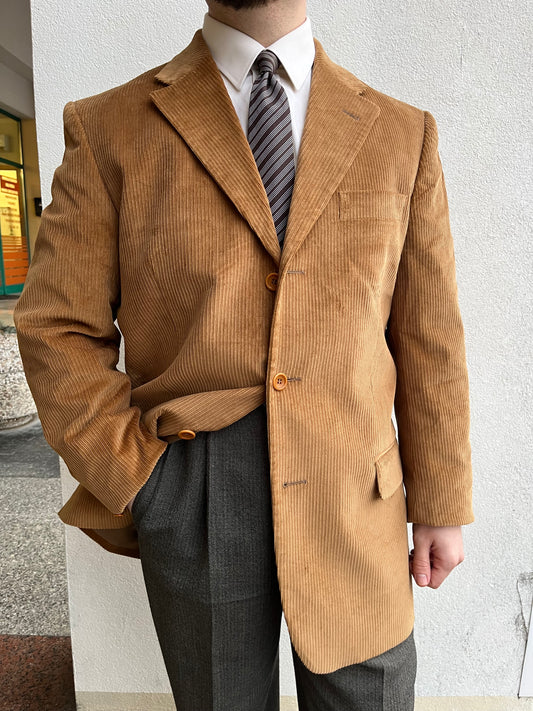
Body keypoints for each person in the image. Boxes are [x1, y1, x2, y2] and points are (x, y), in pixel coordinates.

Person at [13, 0, 474, 709]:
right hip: (194, 484)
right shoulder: (109, 127)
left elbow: (428, 334)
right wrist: (138, 476)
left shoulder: (400, 133)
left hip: (358, 486)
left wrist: (440, 500)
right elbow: (57, 325)